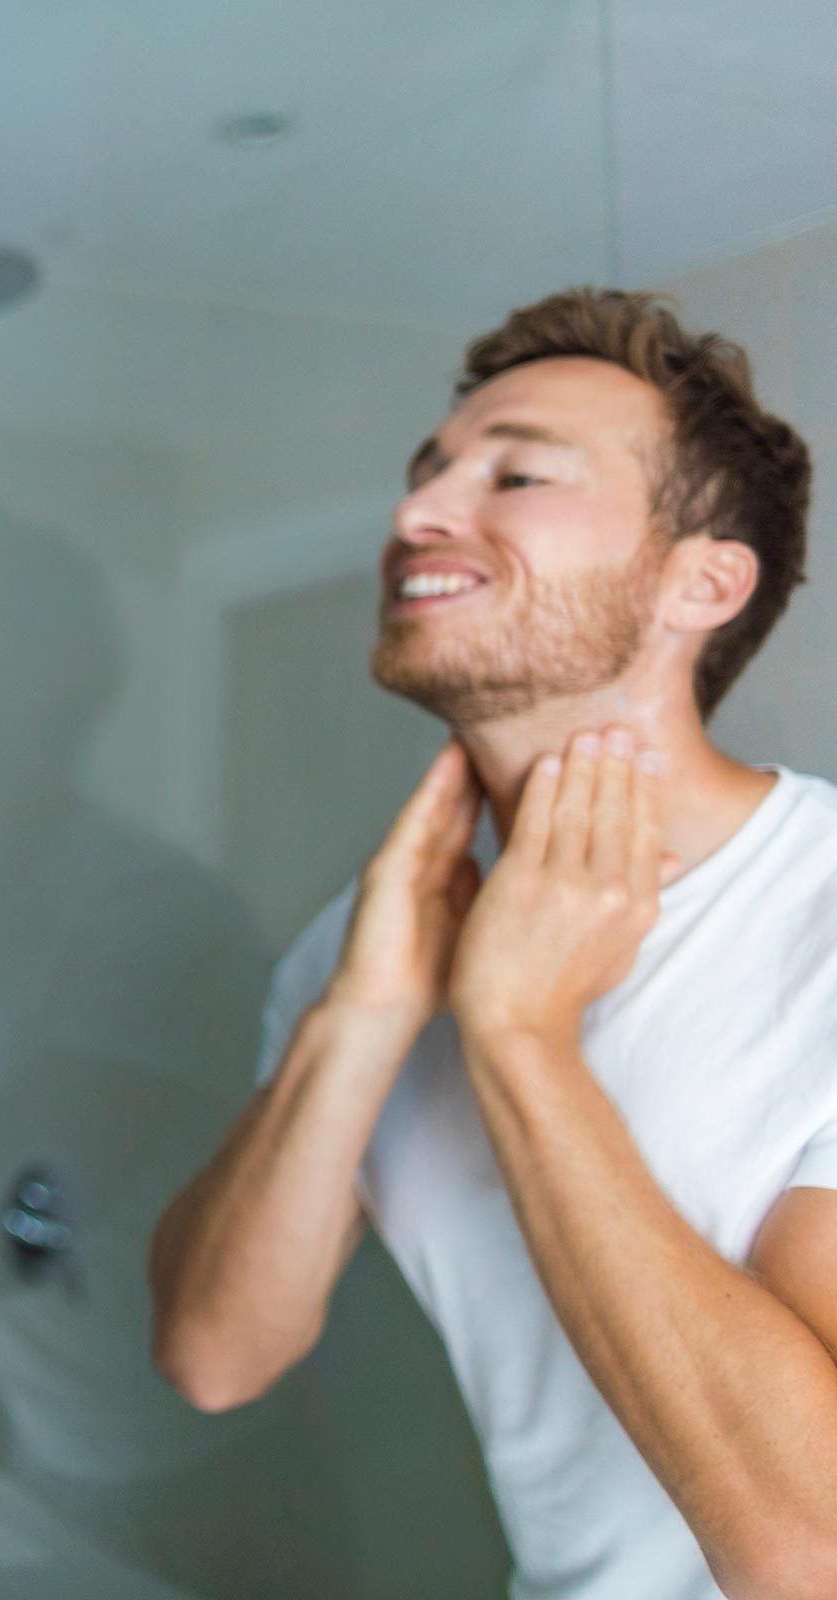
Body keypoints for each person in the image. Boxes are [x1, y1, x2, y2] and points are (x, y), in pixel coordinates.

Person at [150, 288, 837, 1600]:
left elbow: (811, 1552)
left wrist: (521, 1036)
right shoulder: (374, 947)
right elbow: (213, 1352)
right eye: (430, 474)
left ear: (704, 579)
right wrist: (359, 1016)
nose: (419, 514)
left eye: (516, 474)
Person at [0, 520, 357, 1595]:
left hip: (191, 1491)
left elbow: (4, 1243)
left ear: (34, 681)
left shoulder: (149, 921)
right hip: (53, 1446)